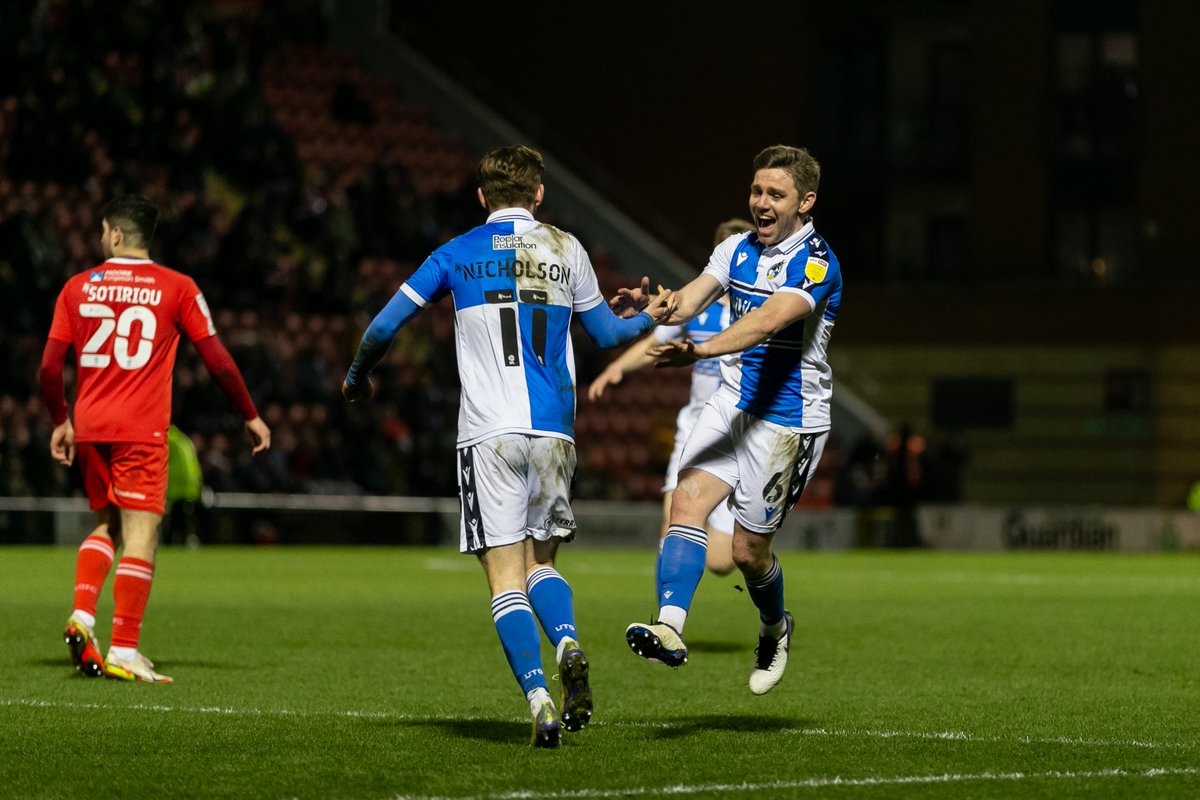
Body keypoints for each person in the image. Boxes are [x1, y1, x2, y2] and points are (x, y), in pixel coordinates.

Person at [341, 145, 674, 747]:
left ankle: (540, 699)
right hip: (553, 431)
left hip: (489, 433)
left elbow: (383, 327)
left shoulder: (455, 253)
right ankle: (568, 640)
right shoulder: (565, 249)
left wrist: (358, 376)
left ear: (481, 197)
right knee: (541, 564)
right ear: (539, 194)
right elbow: (606, 333)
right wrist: (650, 315)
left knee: (503, 580)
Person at [620, 145, 842, 696]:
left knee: (747, 553)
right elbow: (691, 300)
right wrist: (655, 308)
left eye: (775, 194)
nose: (761, 203)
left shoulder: (816, 262)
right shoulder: (735, 249)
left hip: (787, 419)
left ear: (805, 202)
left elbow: (768, 322)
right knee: (686, 501)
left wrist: (700, 352)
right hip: (732, 400)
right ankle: (669, 627)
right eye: (756, 191)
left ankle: (774, 625)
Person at [41, 195, 271, 683]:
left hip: (90, 427)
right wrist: (249, 414)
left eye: (104, 231)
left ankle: (84, 615)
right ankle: (124, 647)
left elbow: (47, 367)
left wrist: (61, 419)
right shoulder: (177, 287)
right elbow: (218, 359)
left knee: (106, 526)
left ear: (116, 234)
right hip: (141, 430)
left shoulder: (76, 287)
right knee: (143, 535)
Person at [587, 219, 754, 576]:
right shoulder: (696, 306)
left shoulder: (754, 311)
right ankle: (666, 619)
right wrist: (616, 369)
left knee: (723, 563)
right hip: (694, 428)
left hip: (738, 437)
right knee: (673, 526)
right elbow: (653, 342)